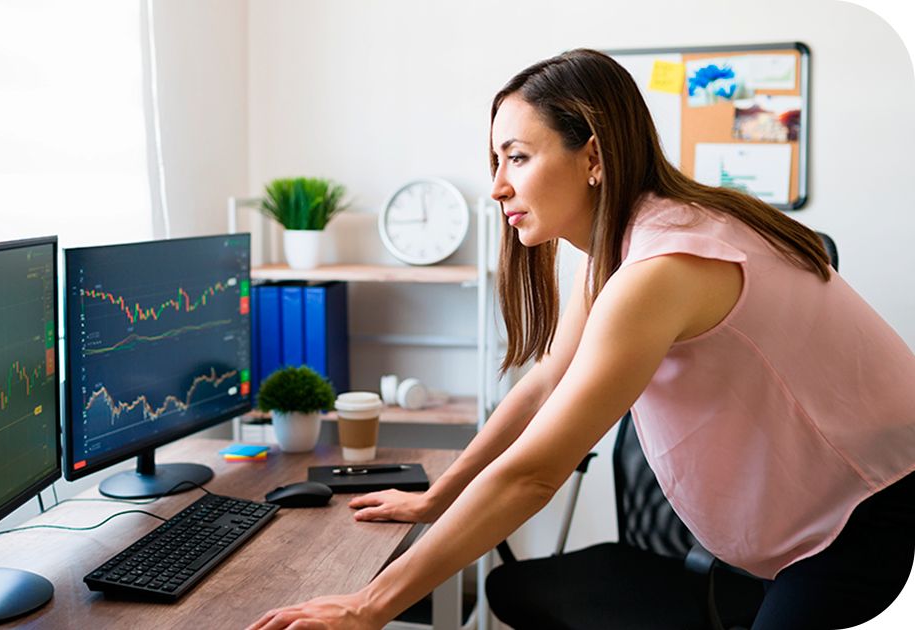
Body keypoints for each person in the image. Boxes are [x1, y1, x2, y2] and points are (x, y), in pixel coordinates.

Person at [249, 48, 915, 630]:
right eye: (494, 159)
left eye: (517, 156)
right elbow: (545, 381)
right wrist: (438, 494)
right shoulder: (618, 249)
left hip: (866, 512)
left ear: (592, 154)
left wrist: (370, 606)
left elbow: (536, 474)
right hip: (816, 520)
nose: (496, 185)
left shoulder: (663, 266)